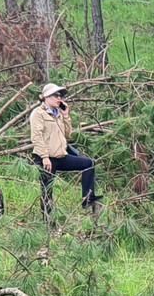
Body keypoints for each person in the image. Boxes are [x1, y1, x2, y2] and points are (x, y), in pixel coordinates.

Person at [30, 83, 102, 218]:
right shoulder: (38, 113)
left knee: (88, 163)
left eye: (60, 95)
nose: (59, 98)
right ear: (46, 97)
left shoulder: (59, 114)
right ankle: (47, 220)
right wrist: (45, 157)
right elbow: (36, 137)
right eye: (55, 95)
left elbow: (67, 135)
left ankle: (88, 197)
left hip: (61, 156)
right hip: (46, 158)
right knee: (47, 190)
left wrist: (66, 116)